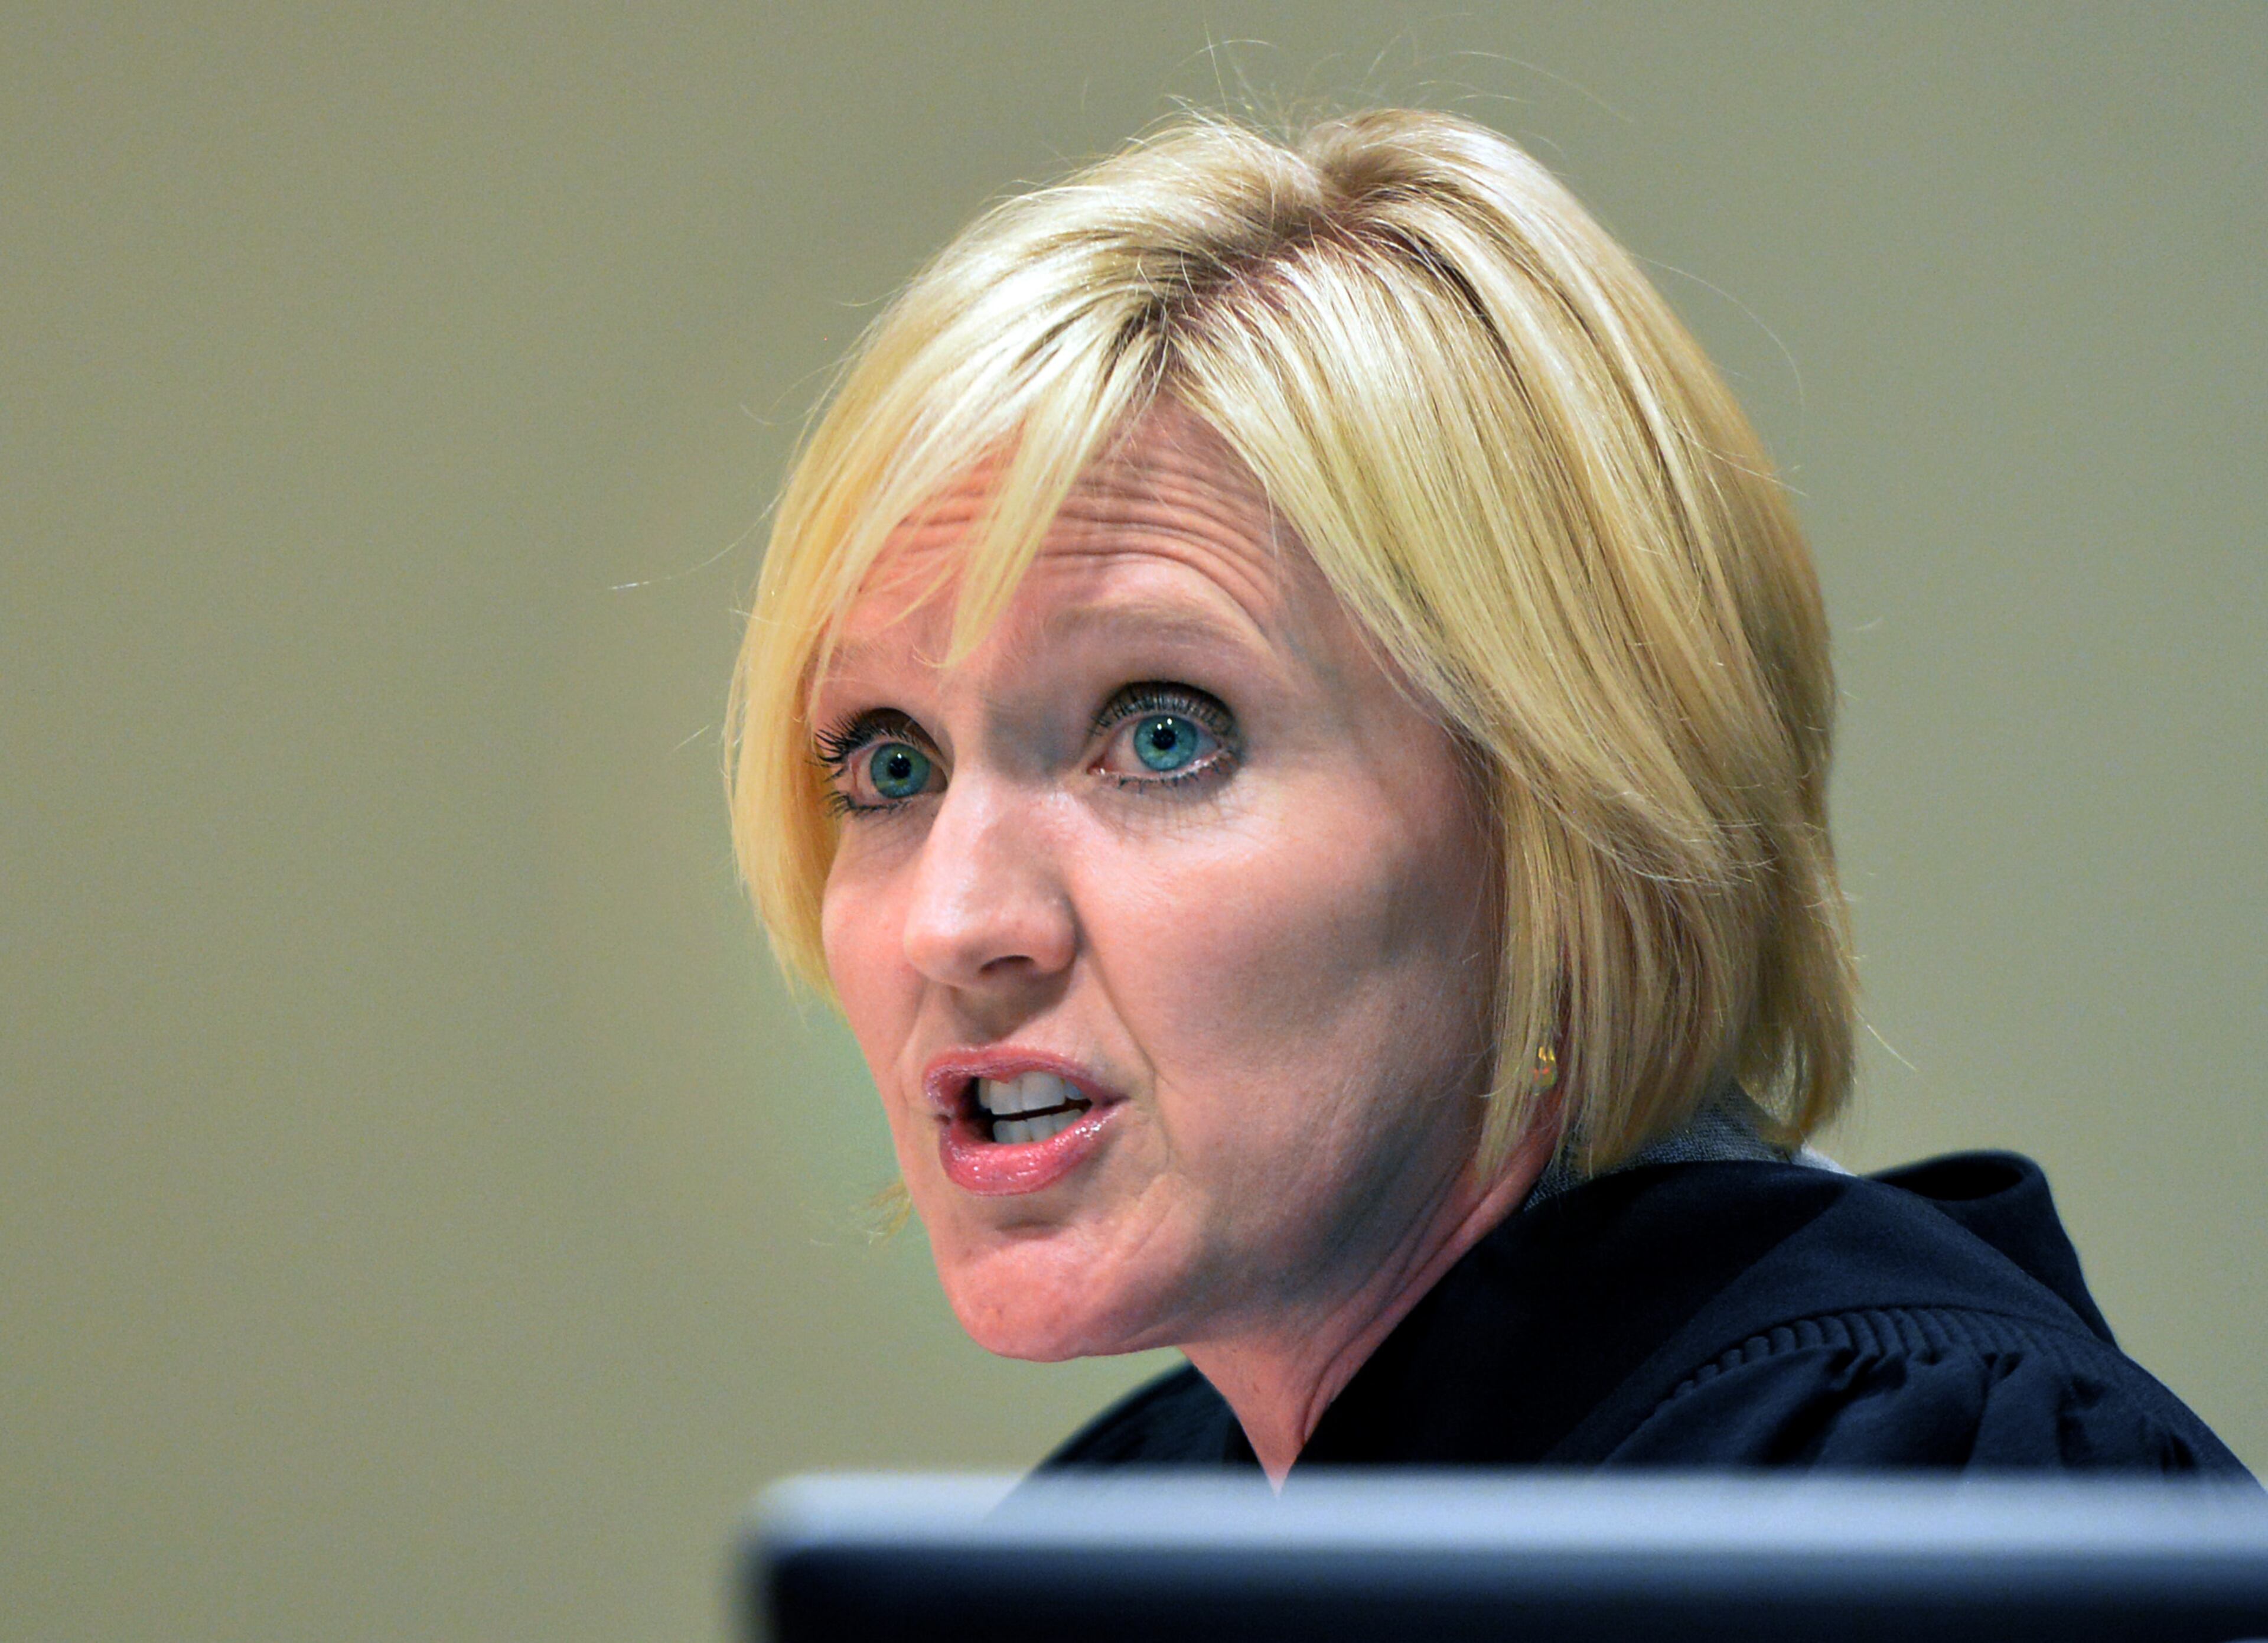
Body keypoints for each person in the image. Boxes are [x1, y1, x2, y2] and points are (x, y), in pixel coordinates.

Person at [726, 109, 2249, 1482]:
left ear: (1564, 810)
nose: (953, 919)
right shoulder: (1124, 1531)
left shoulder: (1902, 1480)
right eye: (889, 764)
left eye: (1166, 734)